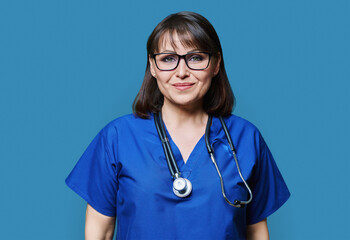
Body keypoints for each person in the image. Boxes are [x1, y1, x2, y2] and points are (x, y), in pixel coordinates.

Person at [65, 11, 290, 240]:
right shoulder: (117, 138)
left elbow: (257, 231)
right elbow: (98, 232)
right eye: (168, 59)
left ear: (215, 64)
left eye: (196, 58)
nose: (182, 72)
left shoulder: (246, 138)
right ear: (152, 67)